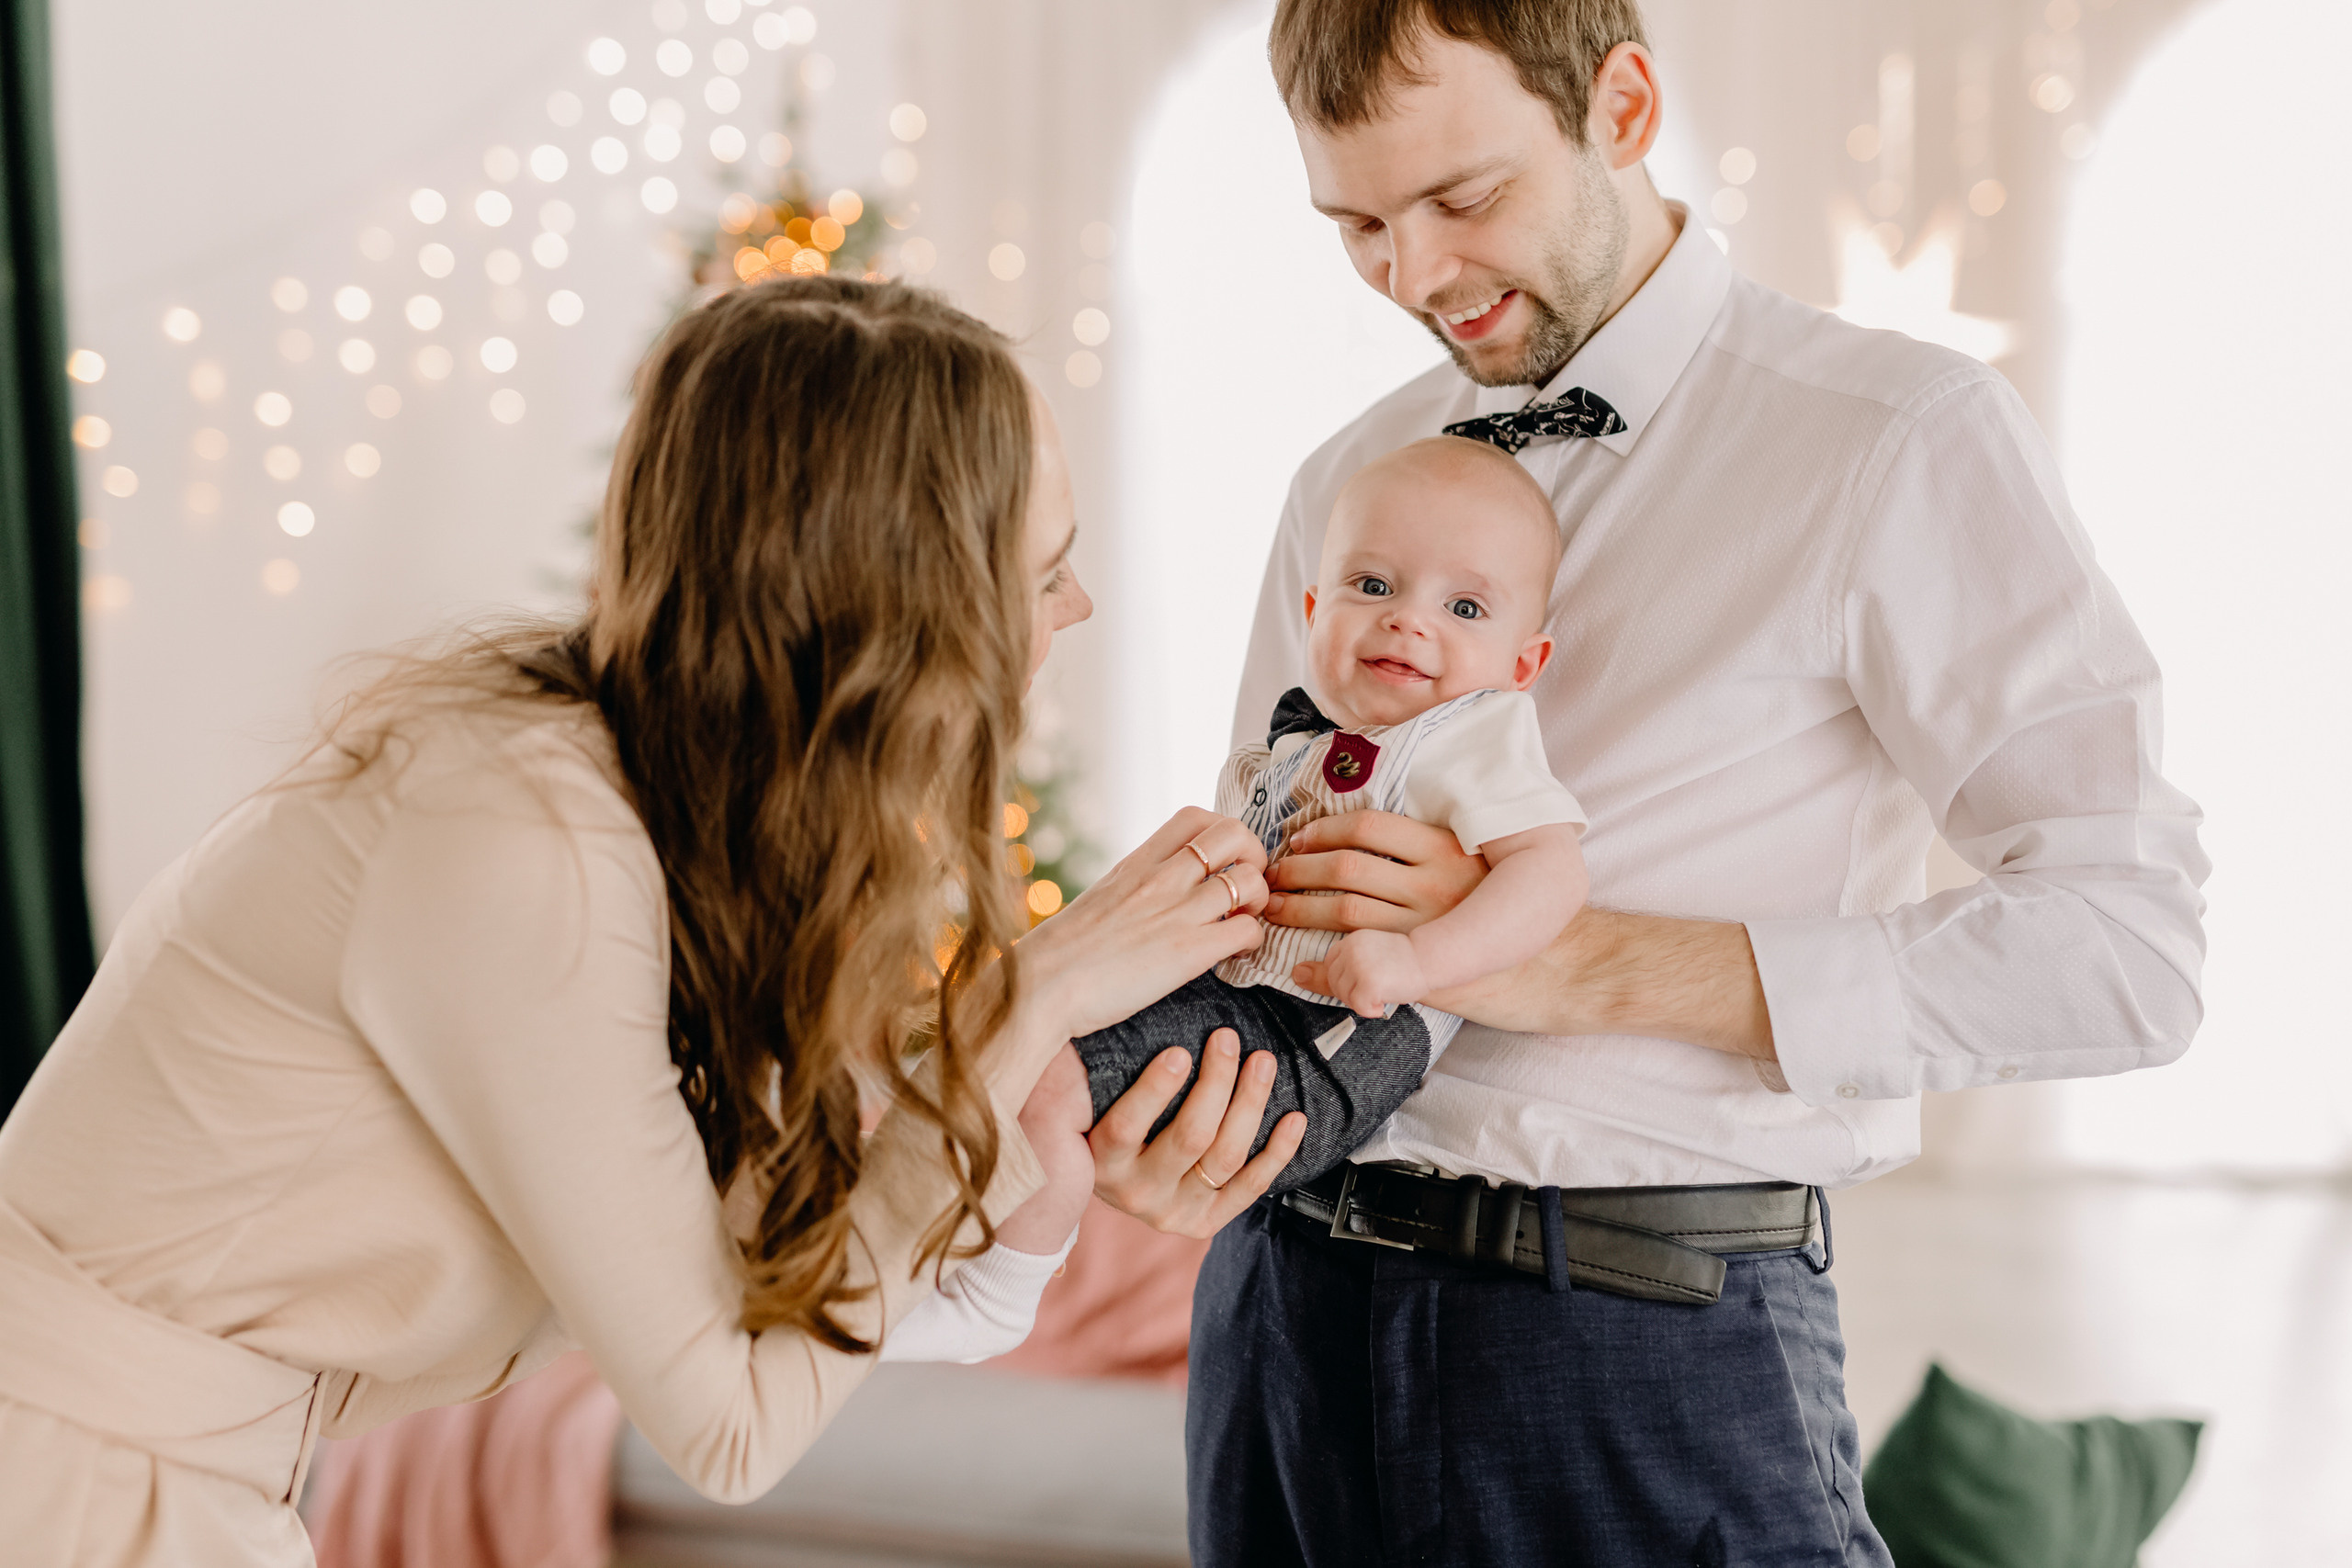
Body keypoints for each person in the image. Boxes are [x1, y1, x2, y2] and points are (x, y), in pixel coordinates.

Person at [1080, 5, 2210, 1565]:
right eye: (1358, 225)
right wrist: (1188, 1135)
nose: (1414, 278)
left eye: (1463, 200)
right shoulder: (1353, 473)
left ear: (1622, 104)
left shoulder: (1895, 439)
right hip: (1281, 1320)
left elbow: (2129, 952)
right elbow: (1266, 847)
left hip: (1632, 1344)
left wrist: (1573, 955)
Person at [0, 277, 1306, 1566]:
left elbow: (788, 1282)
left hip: (175, 1470)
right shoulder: (522, 838)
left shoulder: (689, 823)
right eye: (1048, 567)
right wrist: (1031, 996)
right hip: (71, 1472)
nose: (1075, 608)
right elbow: (731, 1425)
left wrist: (1038, 1175)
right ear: (906, 610)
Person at [1070, 436, 1587, 1190]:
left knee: (1052, 1075)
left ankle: (1001, 1285)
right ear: (1314, 613)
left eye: (1464, 607)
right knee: (1037, 1052)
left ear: (1521, 667)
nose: (1409, 620)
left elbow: (1552, 872)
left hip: (1334, 1029)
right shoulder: (1297, 739)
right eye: (1373, 585)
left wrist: (1421, 959)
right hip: (1240, 993)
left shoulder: (1475, 732)